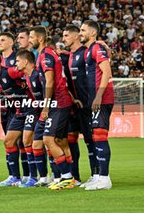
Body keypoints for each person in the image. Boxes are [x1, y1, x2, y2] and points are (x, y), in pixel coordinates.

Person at [29, 26, 75, 190]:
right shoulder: (45, 53)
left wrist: (46, 107)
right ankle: (69, 177)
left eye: (31, 37)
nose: (29, 40)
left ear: (40, 38)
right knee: (61, 141)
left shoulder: (45, 54)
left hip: (58, 102)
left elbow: (50, 81)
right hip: (61, 101)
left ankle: (67, 177)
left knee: (48, 140)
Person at [0, 52, 31, 186]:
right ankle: (15, 177)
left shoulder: (10, 72)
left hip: (31, 108)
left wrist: (27, 87)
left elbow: (30, 74)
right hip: (18, 111)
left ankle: (38, 177)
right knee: (9, 142)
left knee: (31, 143)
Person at [61, 24, 100, 186]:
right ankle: (75, 178)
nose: (63, 39)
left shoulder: (86, 52)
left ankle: (97, 175)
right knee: (71, 140)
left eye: (66, 36)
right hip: (73, 107)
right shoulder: (68, 56)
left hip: (87, 106)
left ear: (76, 36)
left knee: (91, 141)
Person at [78, 20, 115, 190]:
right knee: (95, 137)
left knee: (100, 137)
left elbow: (106, 71)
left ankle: (105, 178)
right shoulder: (89, 50)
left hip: (102, 97)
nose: (80, 33)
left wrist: (98, 96)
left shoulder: (97, 48)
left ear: (93, 33)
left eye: (83, 30)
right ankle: (99, 176)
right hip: (95, 98)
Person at [0, 32, 30, 184]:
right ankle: (13, 175)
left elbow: (24, 78)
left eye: (3, 40)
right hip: (4, 107)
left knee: (22, 142)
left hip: (19, 107)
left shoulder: (16, 59)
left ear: (11, 43)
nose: (0, 42)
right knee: (9, 142)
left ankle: (27, 174)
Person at [15, 49, 48, 187]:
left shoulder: (38, 74)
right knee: (27, 140)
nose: (15, 63)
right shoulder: (27, 76)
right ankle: (35, 177)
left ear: (26, 61)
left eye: (17, 61)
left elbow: (48, 90)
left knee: (52, 142)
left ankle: (56, 176)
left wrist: (47, 108)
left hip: (48, 109)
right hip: (35, 110)